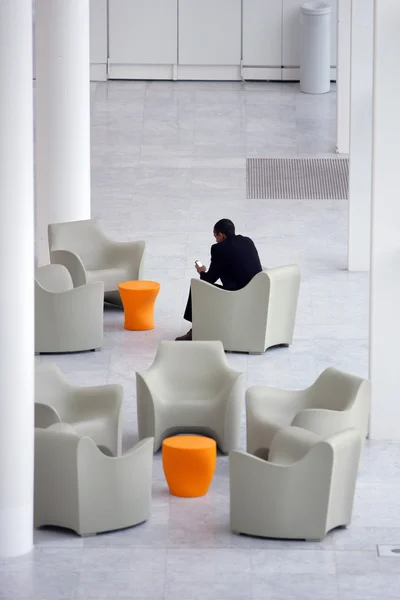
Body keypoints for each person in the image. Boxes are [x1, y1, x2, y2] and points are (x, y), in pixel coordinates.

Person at [175, 219, 262, 341]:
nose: (215, 240)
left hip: (235, 295)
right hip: (255, 292)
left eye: (215, 236)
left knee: (197, 286)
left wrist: (201, 271)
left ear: (221, 234)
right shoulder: (247, 241)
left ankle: (196, 330)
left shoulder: (219, 249)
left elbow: (209, 280)